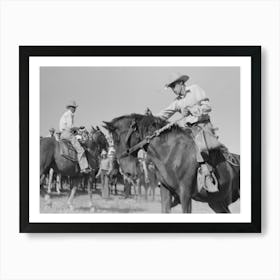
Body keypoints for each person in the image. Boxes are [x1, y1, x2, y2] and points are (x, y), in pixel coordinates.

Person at [155, 74, 226, 193]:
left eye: (174, 86)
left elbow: (208, 107)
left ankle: (207, 175)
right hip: (189, 129)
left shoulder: (195, 89)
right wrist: (150, 116)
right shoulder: (177, 102)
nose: (173, 89)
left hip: (203, 125)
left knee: (197, 142)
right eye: (171, 87)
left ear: (181, 83)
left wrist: (193, 110)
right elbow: (164, 114)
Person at [59, 101, 91, 174]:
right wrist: (79, 128)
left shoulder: (65, 114)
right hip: (68, 134)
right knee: (80, 150)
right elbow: (71, 127)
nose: (75, 109)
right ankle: (84, 168)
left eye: (75, 108)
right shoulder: (70, 114)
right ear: (71, 108)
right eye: (74, 107)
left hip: (62, 134)